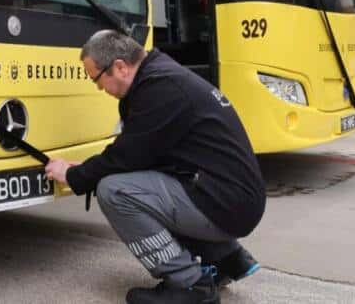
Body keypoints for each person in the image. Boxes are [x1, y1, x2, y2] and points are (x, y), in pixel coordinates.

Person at [45, 30, 265, 304]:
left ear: (120, 67)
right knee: (134, 181)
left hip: (227, 203)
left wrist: (73, 175)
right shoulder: (161, 77)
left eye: (97, 80)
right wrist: (87, 170)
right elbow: (139, 153)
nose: (99, 89)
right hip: (229, 197)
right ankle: (226, 258)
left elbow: (125, 157)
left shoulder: (161, 90)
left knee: (114, 192)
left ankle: (189, 285)